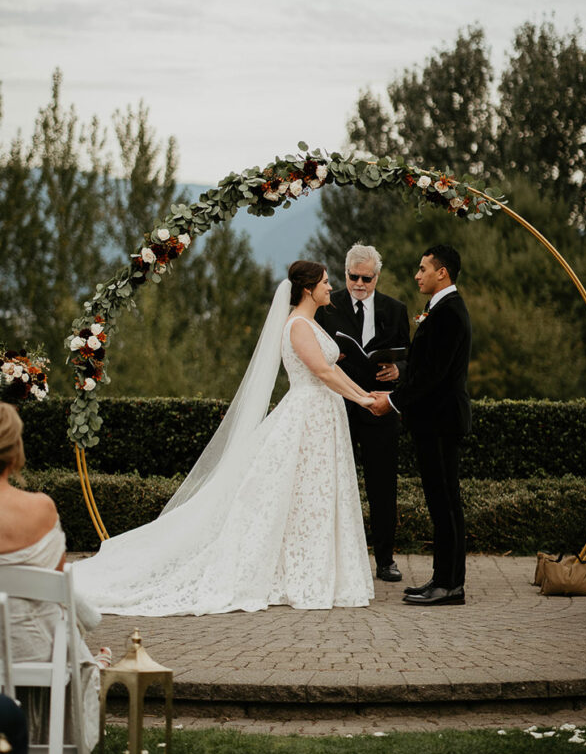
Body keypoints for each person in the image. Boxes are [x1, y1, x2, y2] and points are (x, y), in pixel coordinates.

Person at [73, 261, 376, 614]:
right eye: (325, 282)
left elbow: (334, 369)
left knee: (312, 495)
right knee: (303, 493)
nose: (331, 287)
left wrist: (365, 396)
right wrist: (363, 400)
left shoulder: (310, 323)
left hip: (324, 417)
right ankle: (300, 574)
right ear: (308, 288)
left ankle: (313, 569)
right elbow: (322, 371)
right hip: (307, 417)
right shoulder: (297, 326)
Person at [371, 244, 472, 606]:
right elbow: (425, 365)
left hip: (441, 423)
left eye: (423, 269)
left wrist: (393, 400)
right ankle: (443, 579)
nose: (417, 275)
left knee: (445, 503)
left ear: (441, 272)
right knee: (442, 503)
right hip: (435, 422)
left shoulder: (448, 313)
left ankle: (449, 585)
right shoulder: (439, 308)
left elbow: (434, 374)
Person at [0, 403, 100, 754]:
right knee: (70, 620)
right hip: (38, 651)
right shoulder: (41, 509)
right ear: (15, 452)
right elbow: (53, 584)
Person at [316, 243, 410, 582]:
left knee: (383, 485)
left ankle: (385, 560)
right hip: (337, 405)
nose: (359, 284)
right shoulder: (327, 306)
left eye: (366, 278)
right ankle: (329, 558)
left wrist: (399, 370)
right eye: (353, 277)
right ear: (345, 274)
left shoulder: (395, 309)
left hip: (379, 406)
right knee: (332, 482)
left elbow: (411, 355)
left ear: (377, 277)